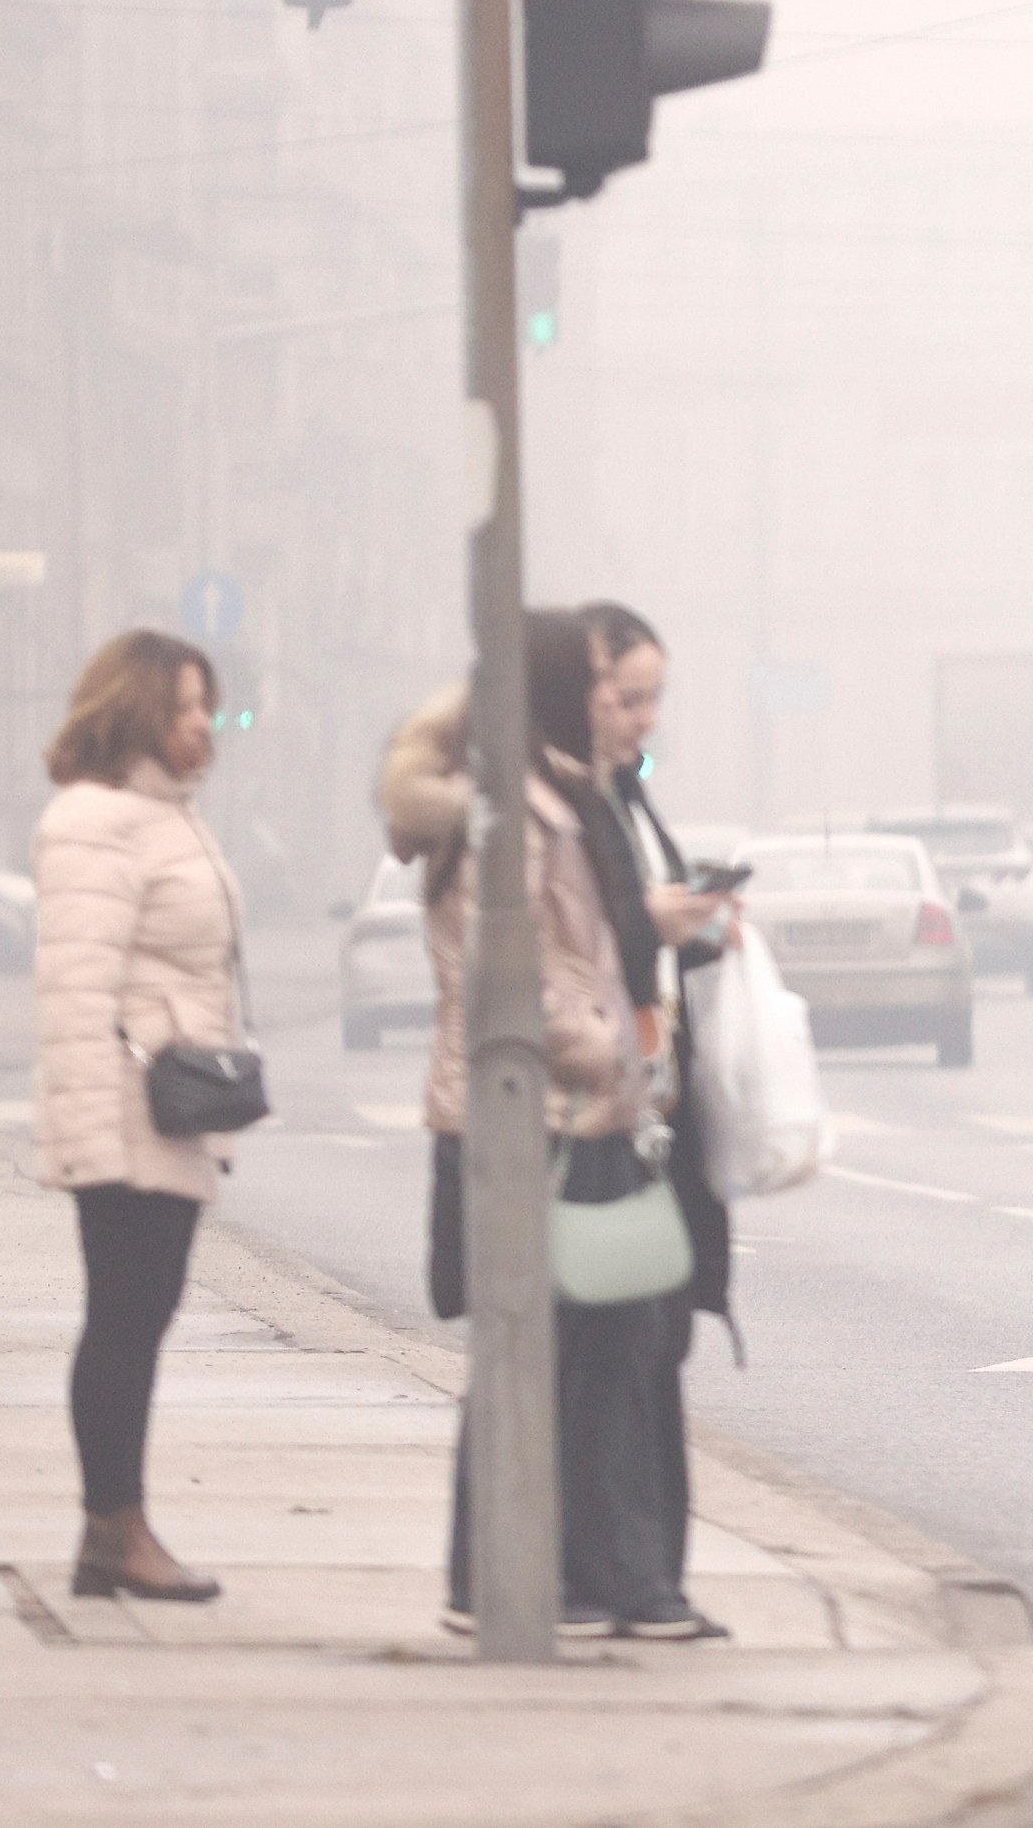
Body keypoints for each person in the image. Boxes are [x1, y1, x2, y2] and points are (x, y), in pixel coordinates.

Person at [380, 611, 718, 1641]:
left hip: (576, 1108)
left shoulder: (551, 798)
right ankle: (534, 1579)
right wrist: (614, 1044)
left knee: (584, 1346)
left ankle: (566, 1576)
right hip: (545, 1114)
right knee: (554, 1348)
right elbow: (510, 977)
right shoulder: (517, 812)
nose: (618, 709)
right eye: (601, 686)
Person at [28, 631, 244, 1606]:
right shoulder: (97, 820)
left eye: (207, 704)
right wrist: (87, 1142)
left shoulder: (165, 815)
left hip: (170, 1109)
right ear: (140, 710)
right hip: (125, 1112)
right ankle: (117, 1528)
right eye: (187, 705)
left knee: (138, 1321)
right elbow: (75, 993)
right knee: (122, 1322)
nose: (205, 723)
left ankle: (111, 1530)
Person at [578, 598, 737, 1613]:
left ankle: (637, 1576)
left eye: (654, 700)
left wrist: (694, 923)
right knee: (613, 1352)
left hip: (647, 1105)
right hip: (595, 1111)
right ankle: (622, 1578)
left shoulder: (622, 797)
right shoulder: (564, 805)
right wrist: (652, 923)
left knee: (646, 1345)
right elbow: (569, 953)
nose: (644, 721)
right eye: (627, 698)